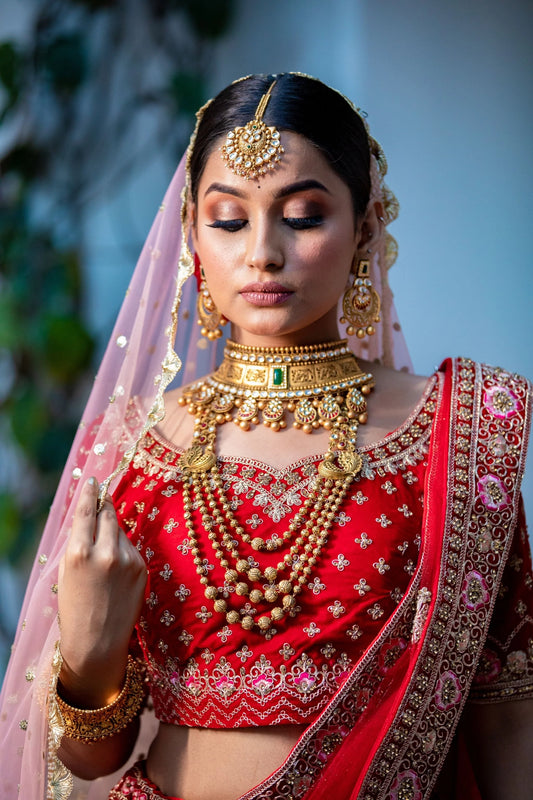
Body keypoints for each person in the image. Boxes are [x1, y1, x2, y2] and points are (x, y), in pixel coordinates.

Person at [0, 73, 531, 800]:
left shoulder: (458, 432)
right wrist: (90, 659)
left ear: (365, 225)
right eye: (227, 219)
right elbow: (93, 761)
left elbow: (506, 715)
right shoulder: (131, 449)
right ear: (191, 231)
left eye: (303, 216)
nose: (262, 253)